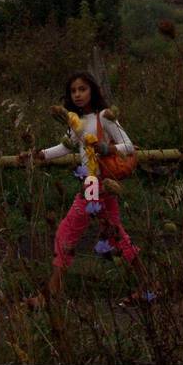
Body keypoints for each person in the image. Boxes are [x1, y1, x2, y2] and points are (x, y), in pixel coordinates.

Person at [31, 72, 149, 303]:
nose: (77, 94)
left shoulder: (104, 117)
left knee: (67, 231)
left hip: (98, 183)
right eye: (73, 91)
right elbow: (65, 147)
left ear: (92, 90)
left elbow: (128, 145)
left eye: (82, 89)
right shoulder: (76, 122)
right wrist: (40, 155)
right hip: (95, 183)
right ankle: (148, 285)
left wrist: (108, 149)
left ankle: (52, 292)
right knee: (115, 234)